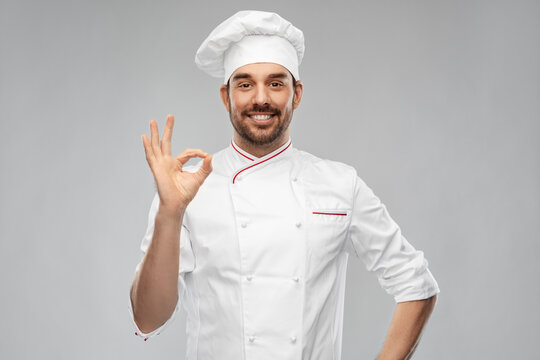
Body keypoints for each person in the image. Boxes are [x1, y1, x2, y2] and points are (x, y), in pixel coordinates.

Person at [129, 10, 440, 360]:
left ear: (297, 94)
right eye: (245, 84)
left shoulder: (339, 184)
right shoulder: (184, 190)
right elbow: (147, 320)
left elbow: (417, 284)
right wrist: (170, 212)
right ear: (225, 96)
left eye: (276, 83)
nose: (260, 99)